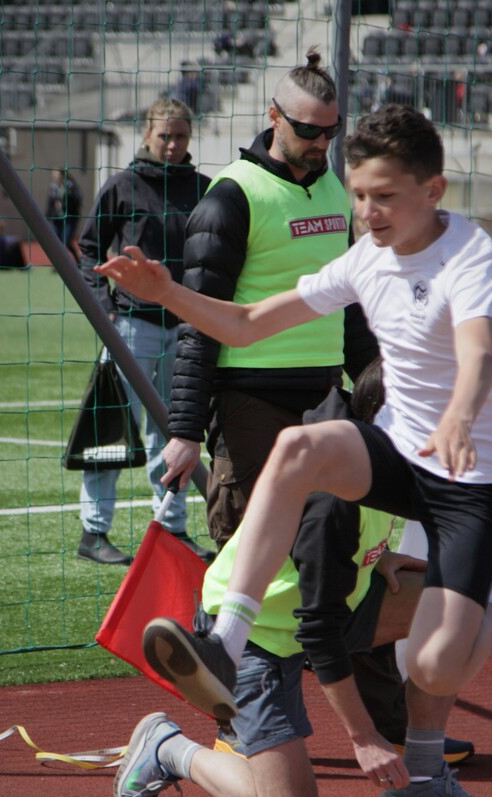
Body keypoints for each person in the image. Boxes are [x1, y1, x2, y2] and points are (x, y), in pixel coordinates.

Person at [96, 104, 492, 797]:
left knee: (434, 663)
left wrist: (458, 414)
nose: (366, 212)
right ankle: (225, 642)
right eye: (357, 195)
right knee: (299, 448)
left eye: (383, 195)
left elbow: (478, 349)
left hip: (468, 476)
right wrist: (166, 292)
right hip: (396, 457)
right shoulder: (366, 257)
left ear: (433, 191)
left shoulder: (468, 252)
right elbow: (249, 322)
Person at [114, 364, 492, 797]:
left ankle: (425, 769)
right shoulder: (334, 498)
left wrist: (379, 557)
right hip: (260, 637)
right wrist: (364, 737)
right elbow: (319, 630)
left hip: (333, 606)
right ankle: (168, 748)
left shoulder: (375, 459)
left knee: (462, 607)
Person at [163, 48, 378, 552]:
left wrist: (381, 388)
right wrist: (186, 431)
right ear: (274, 117)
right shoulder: (231, 197)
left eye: (331, 130)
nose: (321, 143)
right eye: (308, 131)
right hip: (251, 406)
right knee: (248, 559)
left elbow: (348, 307)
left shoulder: (334, 189)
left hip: (326, 400)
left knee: (331, 555)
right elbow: (200, 320)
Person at [76, 97, 213, 565]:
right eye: (164, 135)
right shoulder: (122, 186)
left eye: (181, 136)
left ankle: (172, 531)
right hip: (131, 327)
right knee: (111, 428)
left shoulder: (205, 189)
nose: (172, 144)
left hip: (187, 330)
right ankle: (94, 532)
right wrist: (105, 310)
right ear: (147, 134)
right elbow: (89, 248)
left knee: (174, 433)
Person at [46, 169, 83, 264]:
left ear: (62, 176)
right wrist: (47, 217)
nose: (55, 177)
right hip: (56, 219)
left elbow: (77, 202)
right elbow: (50, 204)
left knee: (66, 241)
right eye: (53, 175)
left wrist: (63, 205)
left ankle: (65, 263)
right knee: (58, 242)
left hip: (69, 218)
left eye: (56, 175)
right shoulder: (53, 188)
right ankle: (69, 262)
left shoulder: (72, 187)